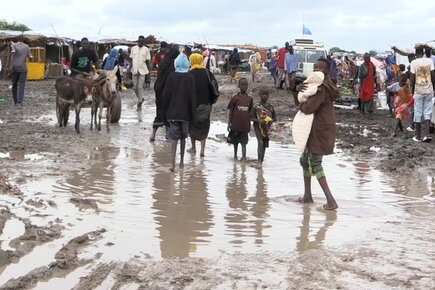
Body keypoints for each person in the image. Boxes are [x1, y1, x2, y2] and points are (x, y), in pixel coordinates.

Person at [297, 58, 339, 210]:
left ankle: (331, 200)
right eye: (316, 67)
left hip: (319, 129)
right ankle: (307, 195)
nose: (317, 70)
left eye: (321, 68)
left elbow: (308, 108)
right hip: (319, 127)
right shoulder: (323, 85)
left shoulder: (321, 88)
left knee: (315, 163)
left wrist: (299, 94)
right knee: (305, 160)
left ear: (327, 71)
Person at [161, 54, 196, 172]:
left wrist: (164, 112)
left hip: (173, 113)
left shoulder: (171, 76)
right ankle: (181, 162)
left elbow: (166, 96)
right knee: (183, 137)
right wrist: (193, 114)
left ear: (176, 64)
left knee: (174, 138)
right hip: (185, 114)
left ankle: (172, 163)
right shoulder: (190, 77)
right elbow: (192, 98)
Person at [188, 53, 217, 157]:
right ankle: (202, 151)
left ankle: (193, 148)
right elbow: (214, 87)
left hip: (193, 106)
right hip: (206, 105)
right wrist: (211, 101)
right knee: (204, 126)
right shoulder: (207, 72)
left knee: (192, 126)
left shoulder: (189, 73)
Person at [150, 44, 180, 142]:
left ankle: (153, 135)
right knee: (168, 114)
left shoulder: (163, 63)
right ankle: (167, 134)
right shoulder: (174, 65)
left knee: (159, 112)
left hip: (159, 90)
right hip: (169, 93)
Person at [410, 46, 435, 142]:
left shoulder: (414, 63)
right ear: (423, 52)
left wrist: (412, 92)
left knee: (418, 113)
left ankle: (418, 136)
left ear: (416, 54)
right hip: (429, 90)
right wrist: (433, 88)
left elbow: (412, 79)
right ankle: (427, 135)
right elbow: (433, 75)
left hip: (418, 91)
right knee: (428, 112)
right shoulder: (429, 61)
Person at [227, 78, 253, 161]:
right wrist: (229, 123)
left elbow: (251, 112)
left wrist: (250, 124)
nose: (244, 87)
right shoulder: (235, 98)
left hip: (245, 125)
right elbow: (230, 111)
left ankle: (244, 156)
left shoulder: (249, 99)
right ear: (239, 86)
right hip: (235, 124)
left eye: (246, 85)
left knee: (244, 142)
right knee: (235, 142)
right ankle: (235, 155)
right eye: (242, 85)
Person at [251, 86, 276, 169]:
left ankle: (261, 161)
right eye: (263, 94)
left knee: (264, 144)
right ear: (259, 95)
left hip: (266, 128)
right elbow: (251, 117)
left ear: (269, 95)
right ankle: (259, 162)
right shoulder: (256, 107)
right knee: (260, 142)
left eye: (266, 94)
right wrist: (258, 121)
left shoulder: (271, 107)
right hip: (258, 127)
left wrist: (271, 121)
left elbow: (274, 118)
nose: (265, 96)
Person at [10, 35, 32, 106]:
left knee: (14, 84)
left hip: (14, 67)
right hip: (23, 68)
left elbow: (13, 53)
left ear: (17, 39)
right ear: (24, 40)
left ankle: (15, 101)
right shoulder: (26, 46)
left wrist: (11, 65)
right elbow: (30, 56)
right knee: (22, 84)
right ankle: (20, 101)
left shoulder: (13, 45)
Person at [130, 35, 151, 110]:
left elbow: (148, 62)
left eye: (141, 42)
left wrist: (149, 73)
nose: (139, 43)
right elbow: (131, 60)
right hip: (134, 70)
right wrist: (129, 69)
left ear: (143, 42)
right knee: (134, 87)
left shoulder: (146, 50)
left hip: (143, 70)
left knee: (140, 87)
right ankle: (141, 98)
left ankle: (139, 103)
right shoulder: (133, 49)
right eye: (138, 41)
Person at [358, 53, 377, 119]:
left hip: (370, 84)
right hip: (364, 84)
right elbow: (360, 76)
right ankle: (362, 112)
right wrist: (361, 85)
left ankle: (369, 113)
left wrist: (374, 81)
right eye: (366, 57)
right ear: (364, 58)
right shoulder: (362, 66)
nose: (367, 59)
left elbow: (374, 74)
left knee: (370, 98)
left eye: (368, 57)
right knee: (363, 98)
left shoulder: (372, 65)